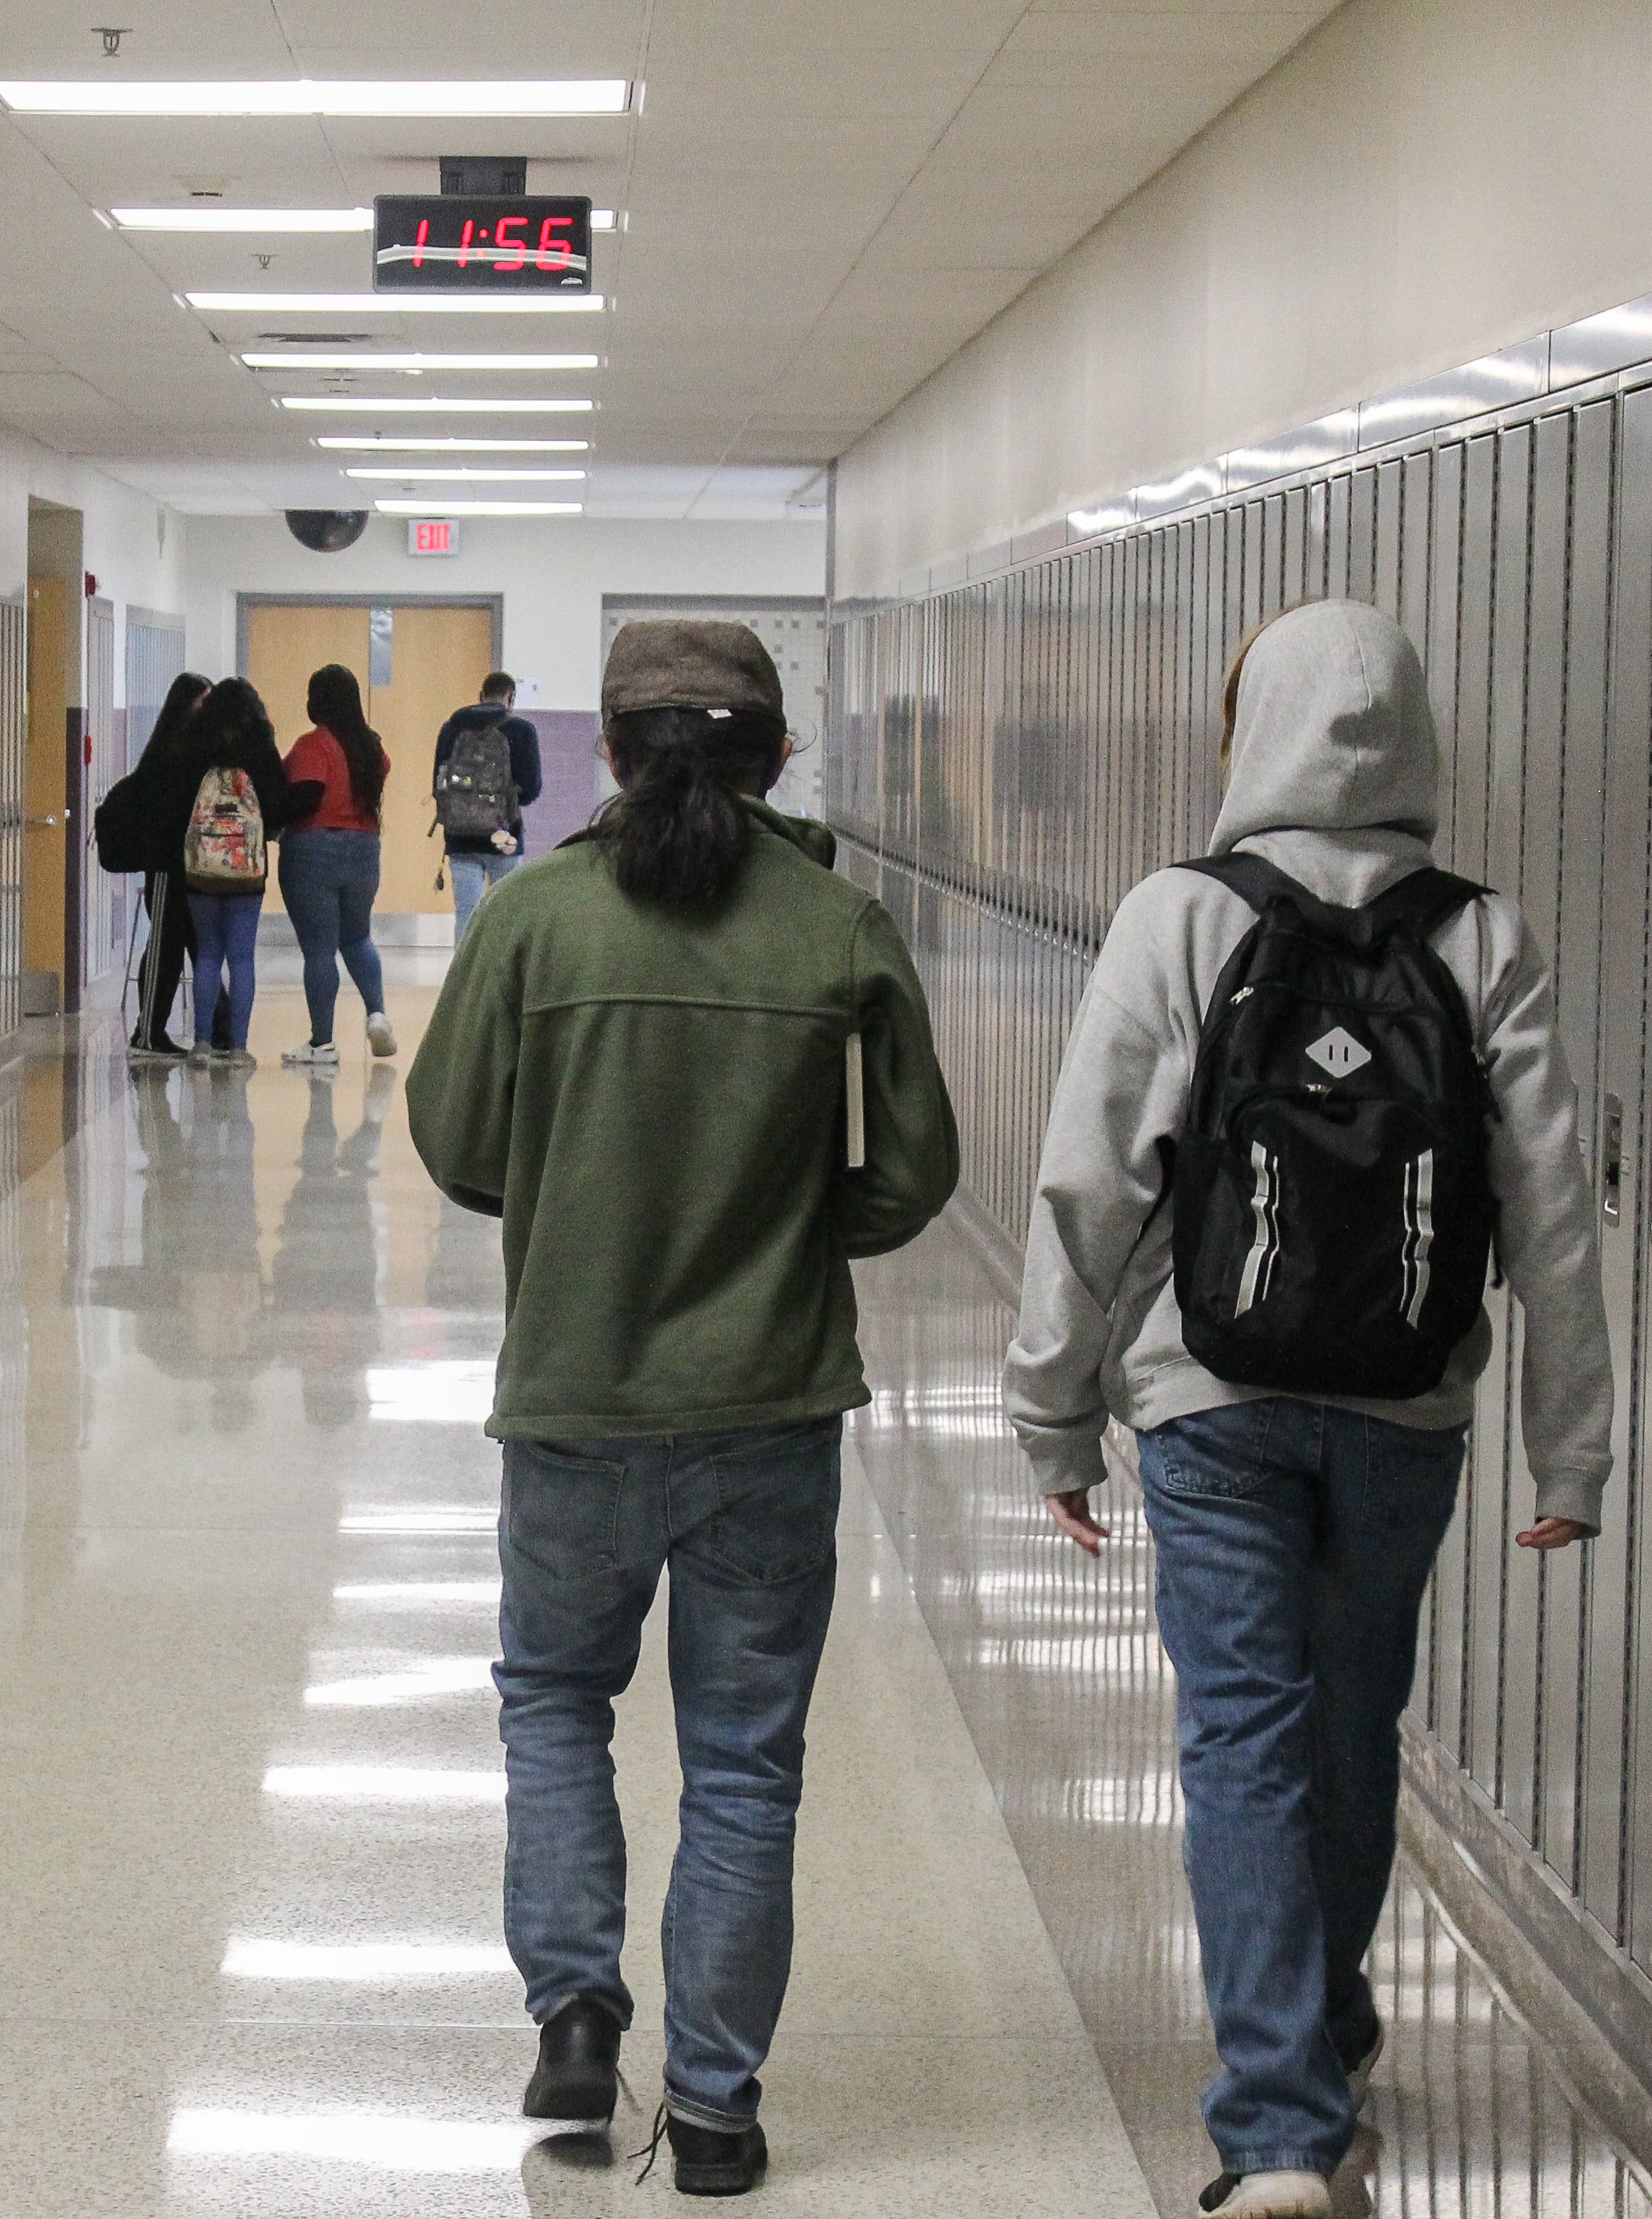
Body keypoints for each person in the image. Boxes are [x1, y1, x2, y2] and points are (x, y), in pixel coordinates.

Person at [1004, 599, 1609, 2219]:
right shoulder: (1489, 937)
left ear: (1245, 731)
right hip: (1408, 1409)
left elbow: (1091, 1181)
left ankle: (1281, 2119)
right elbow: (1554, 1214)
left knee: (1248, 1738)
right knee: (1349, 1730)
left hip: (1212, 1402)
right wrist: (1575, 1441)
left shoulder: (1180, 918)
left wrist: (1055, 1412)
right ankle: (1315, 2037)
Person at [407, 620, 958, 2196]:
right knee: (743, 1756)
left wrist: (578, 1205)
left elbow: (455, 1140)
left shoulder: (540, 923)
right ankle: (716, 2101)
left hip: (576, 1397)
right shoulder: (840, 926)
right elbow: (916, 1174)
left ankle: (578, 2010)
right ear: (778, 754)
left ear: (610, 756)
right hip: (772, 1408)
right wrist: (790, 1229)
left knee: (554, 1701)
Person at [170, 676, 301, 1067]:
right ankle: (240, 1048)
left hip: (201, 870)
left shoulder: (194, 748)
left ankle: (202, 1045)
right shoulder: (261, 750)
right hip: (247, 870)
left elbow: (180, 805)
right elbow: (276, 807)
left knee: (207, 954)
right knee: (241, 958)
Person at [277, 663, 397, 1067]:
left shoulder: (314, 746)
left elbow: (306, 796)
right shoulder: (372, 747)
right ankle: (377, 1014)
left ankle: (322, 1043)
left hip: (314, 849)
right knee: (358, 937)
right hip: (365, 848)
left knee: (319, 949)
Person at [97, 669, 212, 1060]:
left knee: (190, 948)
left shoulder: (189, 753)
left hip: (188, 869)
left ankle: (213, 1031)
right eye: (203, 702)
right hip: (166, 869)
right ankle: (147, 1033)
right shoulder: (169, 757)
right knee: (165, 949)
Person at [434, 669, 545, 942]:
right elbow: (531, 790)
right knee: (505, 913)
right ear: (511, 698)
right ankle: (501, 981)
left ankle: (463, 982)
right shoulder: (521, 731)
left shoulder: (451, 729)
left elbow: (438, 787)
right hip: (504, 836)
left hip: (460, 839)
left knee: (467, 913)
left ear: (481, 696)